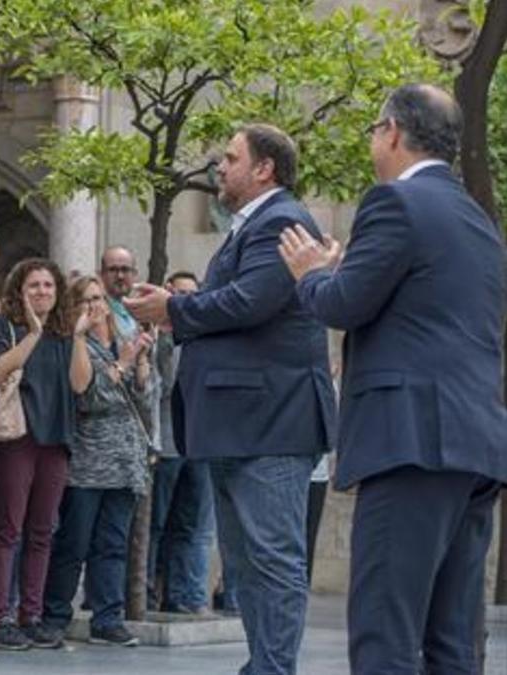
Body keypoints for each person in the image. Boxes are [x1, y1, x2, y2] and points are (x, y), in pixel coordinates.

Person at [278, 83, 507, 674]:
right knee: (454, 642)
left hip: (410, 444)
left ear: (394, 132)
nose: (375, 141)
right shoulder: (479, 221)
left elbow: (344, 304)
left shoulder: (394, 203)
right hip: (475, 447)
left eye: (375, 129)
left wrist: (310, 275)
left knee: (386, 634)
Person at [125, 123, 336, 674]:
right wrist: (173, 304)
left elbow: (250, 302)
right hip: (238, 420)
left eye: (231, 157)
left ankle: (273, 668)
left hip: (271, 420)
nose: (220, 166)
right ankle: (263, 664)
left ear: (264, 168)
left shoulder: (282, 220)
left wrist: (172, 309)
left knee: (272, 559)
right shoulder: (252, 226)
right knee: (246, 562)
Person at [40, 275, 154, 648]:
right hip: (89, 465)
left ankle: (108, 619)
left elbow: (145, 400)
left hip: (125, 463)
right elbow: (87, 397)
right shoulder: (78, 346)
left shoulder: (121, 341)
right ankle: (56, 615)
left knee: (114, 545)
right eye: (85, 300)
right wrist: (121, 364)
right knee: (73, 543)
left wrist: (140, 369)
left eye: (98, 298)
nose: (95, 306)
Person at [0, 258, 78, 652]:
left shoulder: (64, 333)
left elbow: (80, 383)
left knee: (42, 531)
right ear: (19, 291)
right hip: (15, 438)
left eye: (49, 286)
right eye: (34, 286)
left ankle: (31, 616)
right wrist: (32, 335)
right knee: (8, 529)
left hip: (55, 437)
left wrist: (82, 336)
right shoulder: (6, 326)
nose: (42, 292)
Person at [147, 271, 215, 615]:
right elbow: (166, 383)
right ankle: (145, 592)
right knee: (156, 524)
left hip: (200, 444)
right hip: (167, 444)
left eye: (193, 294)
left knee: (190, 526)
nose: (187, 299)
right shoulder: (162, 337)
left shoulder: (206, 336)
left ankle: (183, 595)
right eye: (180, 293)